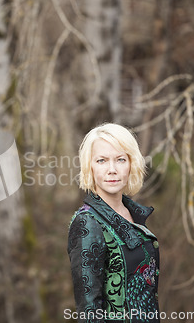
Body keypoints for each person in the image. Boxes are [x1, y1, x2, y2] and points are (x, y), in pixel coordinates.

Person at [68, 123, 160, 323]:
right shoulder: (87, 222)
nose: (112, 169)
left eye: (120, 160)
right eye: (101, 160)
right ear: (90, 167)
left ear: (131, 164)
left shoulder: (133, 213)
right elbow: (89, 312)